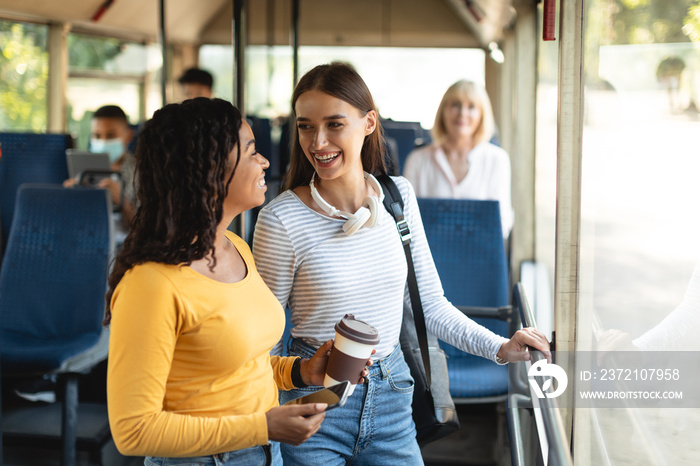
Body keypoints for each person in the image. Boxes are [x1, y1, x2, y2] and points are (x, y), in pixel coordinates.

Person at [252, 62, 550, 465]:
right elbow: (260, 343)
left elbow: (430, 304)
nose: (318, 141)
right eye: (305, 126)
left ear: (368, 122)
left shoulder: (398, 199)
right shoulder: (281, 219)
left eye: (334, 124)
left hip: (393, 398)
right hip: (315, 401)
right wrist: (269, 424)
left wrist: (501, 347)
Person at [106, 98, 368, 465]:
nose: (263, 162)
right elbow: (133, 431)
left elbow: (241, 367)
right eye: (249, 152)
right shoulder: (150, 284)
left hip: (263, 453)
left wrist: (300, 371)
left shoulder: (236, 248)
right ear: (210, 171)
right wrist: (262, 427)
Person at [403, 80, 514, 238]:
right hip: (428, 256)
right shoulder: (417, 160)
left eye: (471, 107)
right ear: (443, 111)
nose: (462, 113)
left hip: (480, 255)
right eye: (455, 105)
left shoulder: (497, 160)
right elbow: (408, 220)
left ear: (482, 115)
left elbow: (502, 223)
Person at [63, 104, 137, 237]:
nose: (102, 142)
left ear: (129, 136)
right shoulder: (82, 170)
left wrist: (122, 202)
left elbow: (148, 230)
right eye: (96, 136)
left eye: (110, 136)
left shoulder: (142, 173)